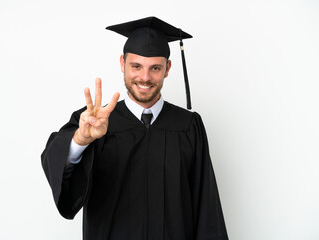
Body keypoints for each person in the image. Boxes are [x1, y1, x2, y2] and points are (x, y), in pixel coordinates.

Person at [41, 16, 228, 240]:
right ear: (122, 63)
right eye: (136, 66)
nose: (145, 77)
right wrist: (81, 140)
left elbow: (206, 206)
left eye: (155, 68)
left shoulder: (188, 126)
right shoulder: (95, 121)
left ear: (167, 68)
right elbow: (61, 176)